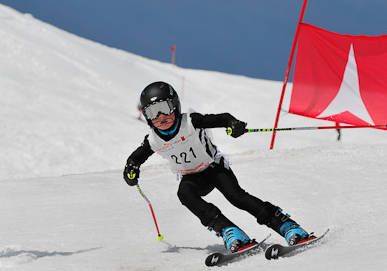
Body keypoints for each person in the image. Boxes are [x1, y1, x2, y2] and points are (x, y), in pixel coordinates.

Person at [123, 81, 313, 253]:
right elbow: (136, 158)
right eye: (152, 113)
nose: (160, 117)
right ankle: (230, 232)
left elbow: (221, 118)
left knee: (236, 197)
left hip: (214, 167)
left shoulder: (190, 122)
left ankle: (287, 226)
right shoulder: (153, 140)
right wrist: (131, 169)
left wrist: (233, 124)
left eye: (164, 108)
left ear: (175, 106)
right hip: (192, 177)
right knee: (184, 193)